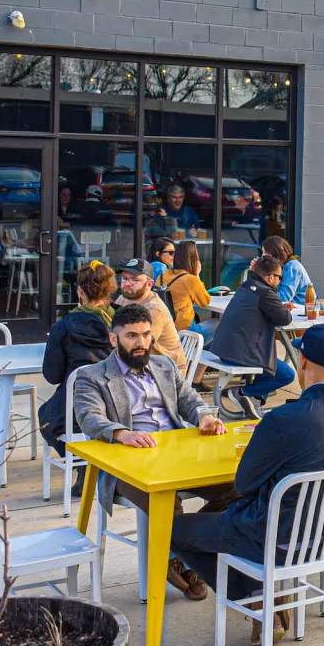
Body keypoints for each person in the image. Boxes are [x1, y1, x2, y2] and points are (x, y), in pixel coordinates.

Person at [168, 324, 324, 641]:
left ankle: (260, 600)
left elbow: (246, 482)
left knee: (172, 530)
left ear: (301, 360)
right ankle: (266, 602)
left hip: (274, 539)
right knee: (220, 519)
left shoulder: (283, 419)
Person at [74, 302, 236, 604]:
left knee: (240, 487)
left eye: (146, 335)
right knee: (167, 500)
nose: (141, 343)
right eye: (132, 336)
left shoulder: (164, 366)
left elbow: (189, 400)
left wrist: (204, 416)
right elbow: (89, 418)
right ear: (114, 340)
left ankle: (183, 556)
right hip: (129, 465)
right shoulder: (92, 376)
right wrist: (123, 433)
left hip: (178, 456)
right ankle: (186, 558)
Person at [38, 261, 117, 457]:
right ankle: (92, 465)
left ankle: (84, 466)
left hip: (75, 410)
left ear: (80, 291)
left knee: (46, 418)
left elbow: (52, 375)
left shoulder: (63, 326)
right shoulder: (122, 324)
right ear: (109, 290)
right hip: (119, 405)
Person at [207, 254, 297, 408]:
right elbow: (285, 320)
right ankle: (242, 393)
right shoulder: (266, 293)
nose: (280, 281)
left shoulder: (246, 286)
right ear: (270, 277)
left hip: (224, 348)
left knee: (270, 362)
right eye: (279, 277)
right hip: (241, 353)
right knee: (287, 375)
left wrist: (279, 307)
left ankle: (254, 401)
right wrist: (282, 308)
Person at [115, 258, 187, 383]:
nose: (127, 283)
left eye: (134, 280)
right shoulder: (124, 298)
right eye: (125, 279)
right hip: (143, 364)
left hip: (166, 372)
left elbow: (139, 345)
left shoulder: (154, 309)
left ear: (149, 284)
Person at [160, 240, 211, 332]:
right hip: (186, 331)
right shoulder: (191, 280)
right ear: (193, 259)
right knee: (219, 323)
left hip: (166, 330)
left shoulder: (163, 276)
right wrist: (197, 275)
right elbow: (204, 302)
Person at [262, 236, 313, 306]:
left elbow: (284, 298)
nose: (263, 256)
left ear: (276, 253)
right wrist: (261, 271)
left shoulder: (292, 267)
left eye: (266, 253)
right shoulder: (279, 267)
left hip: (303, 312)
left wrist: (261, 294)